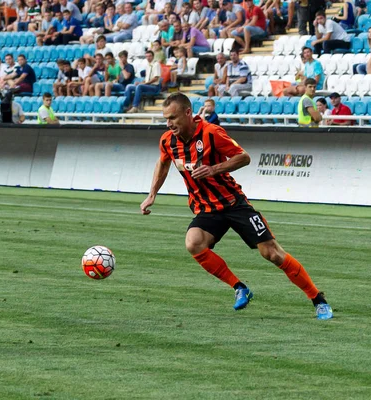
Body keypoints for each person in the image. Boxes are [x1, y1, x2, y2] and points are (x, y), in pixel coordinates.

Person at [140, 92, 333, 320]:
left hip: (233, 203)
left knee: (271, 253)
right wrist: (152, 194)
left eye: (172, 117)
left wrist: (214, 169)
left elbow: (244, 157)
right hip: (206, 208)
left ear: (188, 113)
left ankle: (318, 299)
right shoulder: (167, 141)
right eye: (166, 119)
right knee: (194, 243)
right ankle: (240, 288)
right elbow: (163, 163)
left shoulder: (211, 133)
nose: (168, 123)